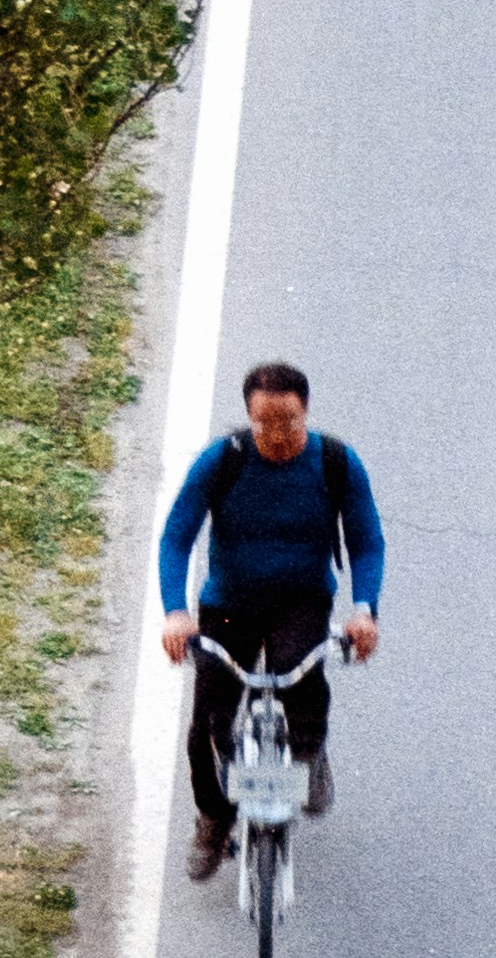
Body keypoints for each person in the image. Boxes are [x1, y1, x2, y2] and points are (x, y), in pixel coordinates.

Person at [159, 361, 385, 882]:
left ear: (306, 412)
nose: (277, 436)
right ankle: (214, 821)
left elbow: (367, 542)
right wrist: (176, 611)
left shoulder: (336, 463)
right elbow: (176, 537)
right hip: (229, 604)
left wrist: (364, 609)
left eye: (289, 423)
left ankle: (309, 755)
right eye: (264, 424)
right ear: (248, 417)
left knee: (300, 686)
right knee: (208, 726)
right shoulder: (223, 460)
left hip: (301, 602)